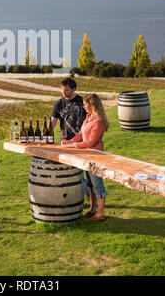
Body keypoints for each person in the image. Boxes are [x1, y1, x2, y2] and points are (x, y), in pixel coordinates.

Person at [62, 93, 109, 221]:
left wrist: (73, 146)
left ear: (92, 105)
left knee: (98, 185)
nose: (83, 107)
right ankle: (93, 209)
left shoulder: (98, 121)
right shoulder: (89, 118)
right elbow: (81, 134)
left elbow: (90, 143)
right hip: (87, 157)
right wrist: (70, 141)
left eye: (85, 104)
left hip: (95, 157)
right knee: (89, 183)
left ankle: (100, 214)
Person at [50, 77, 86, 143]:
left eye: (66, 90)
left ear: (73, 89)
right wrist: (44, 135)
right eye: (62, 89)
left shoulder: (82, 101)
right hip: (65, 141)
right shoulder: (59, 103)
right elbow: (52, 122)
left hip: (82, 140)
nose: (63, 92)